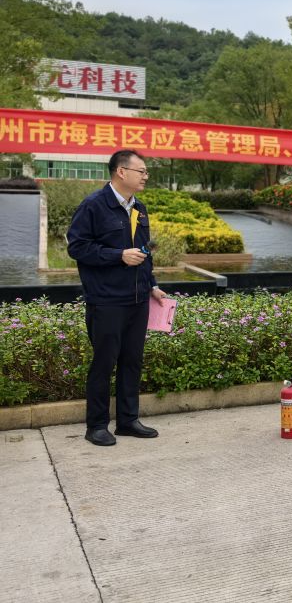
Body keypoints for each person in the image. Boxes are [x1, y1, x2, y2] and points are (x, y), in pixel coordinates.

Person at [67, 150, 168, 446]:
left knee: (132, 361)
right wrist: (118, 255)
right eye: (142, 171)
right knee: (104, 363)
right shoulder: (94, 206)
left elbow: (144, 251)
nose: (146, 176)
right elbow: (77, 247)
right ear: (121, 172)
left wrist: (152, 285)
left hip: (137, 300)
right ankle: (97, 425)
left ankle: (127, 420)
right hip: (106, 300)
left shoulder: (139, 208)